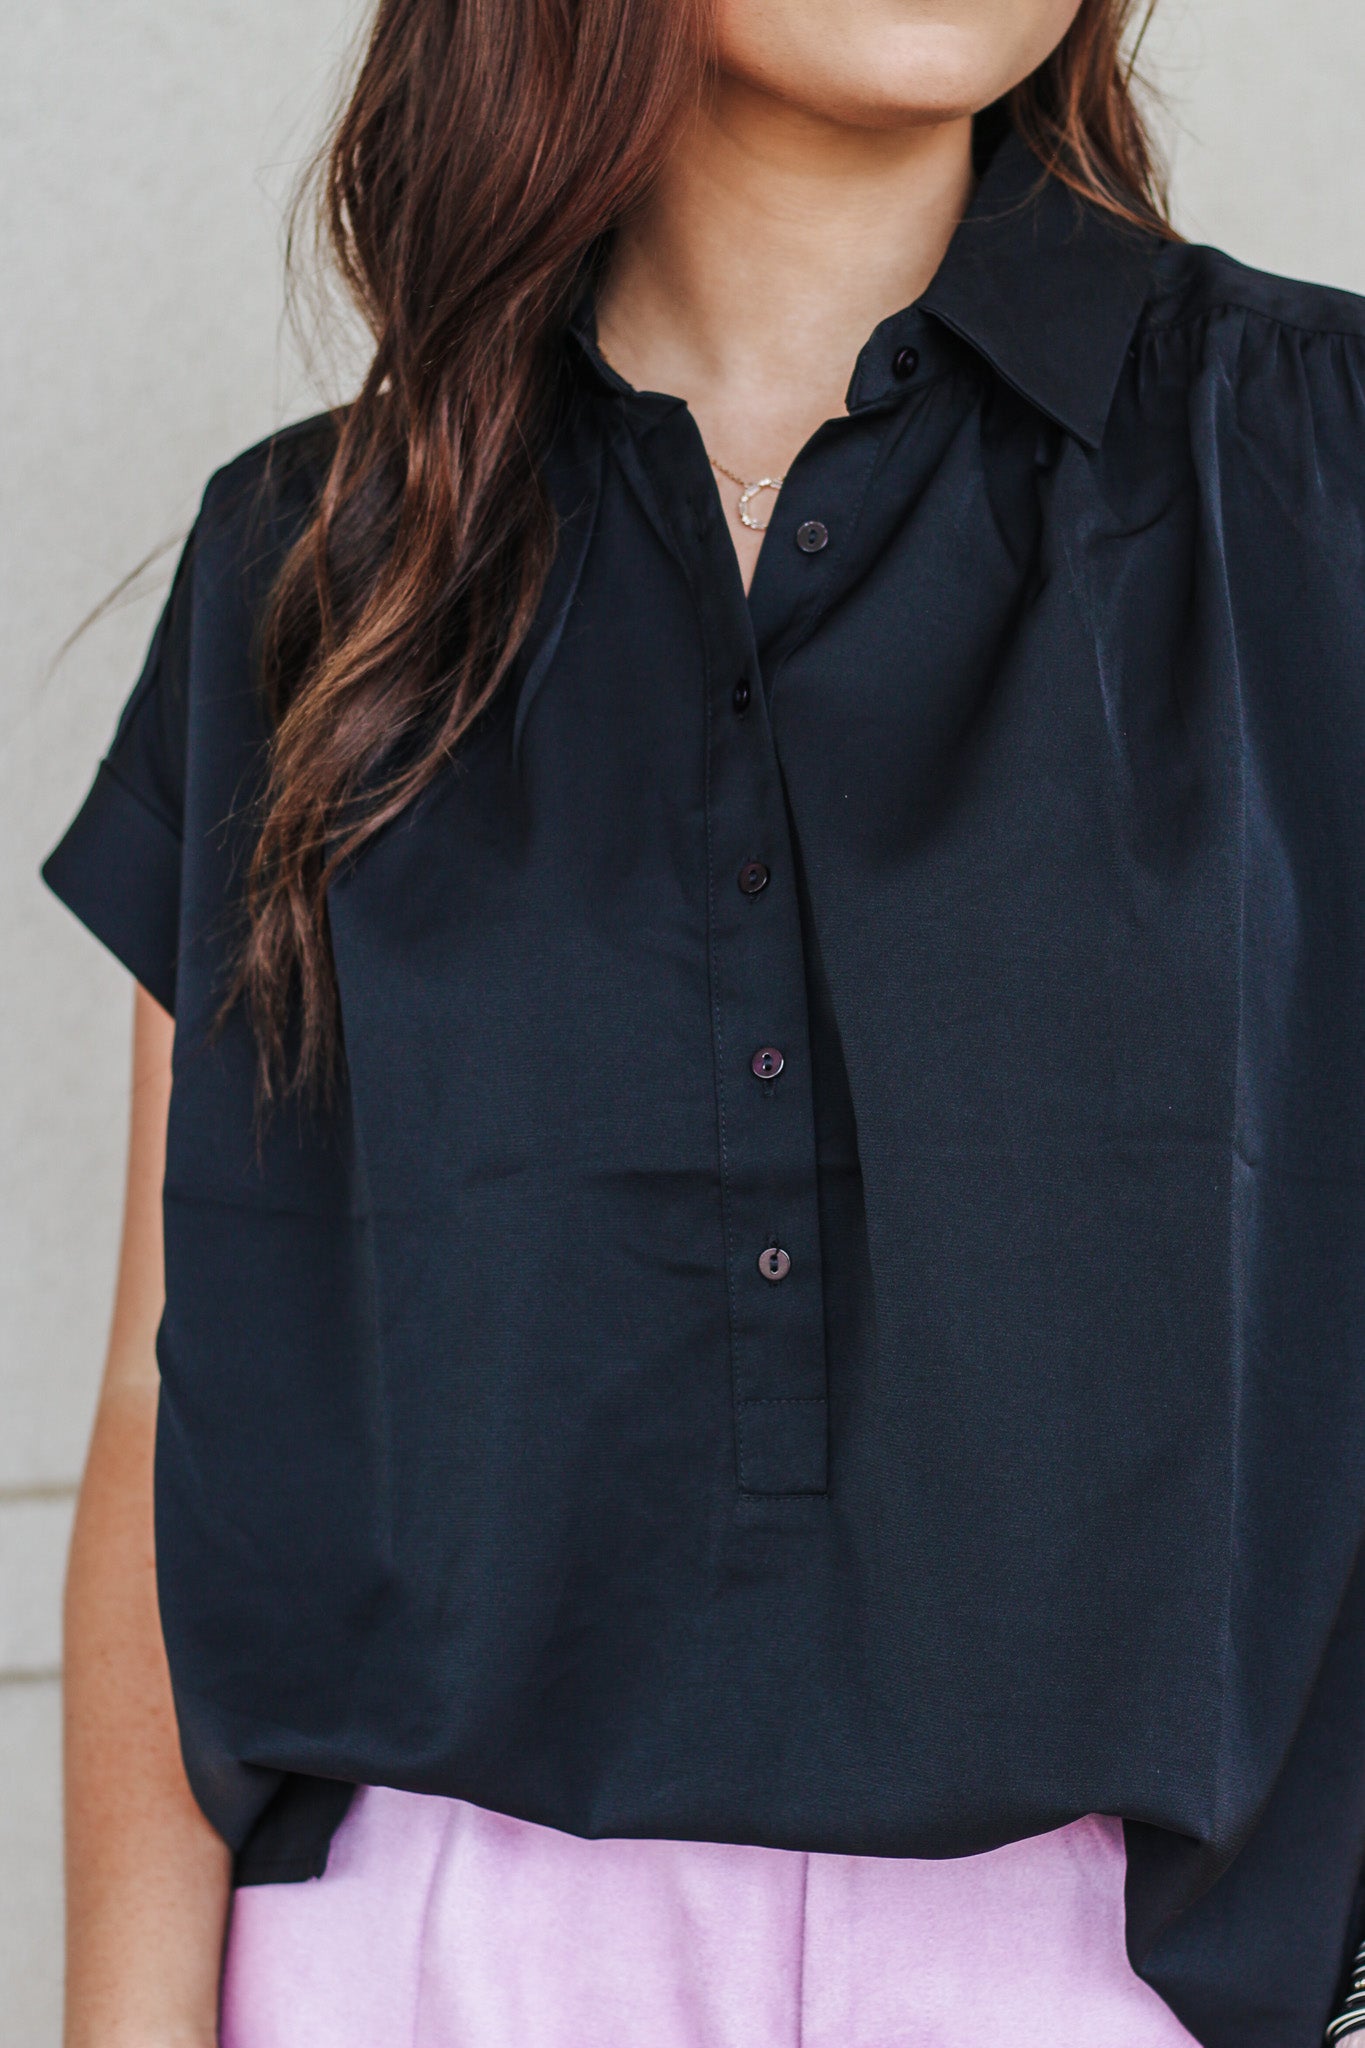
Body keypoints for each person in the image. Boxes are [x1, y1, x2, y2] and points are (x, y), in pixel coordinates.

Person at [43, 0, 1365, 2043]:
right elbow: (171, 1396)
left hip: (1119, 1963)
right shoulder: (311, 572)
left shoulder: (1315, 468)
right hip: (424, 1954)